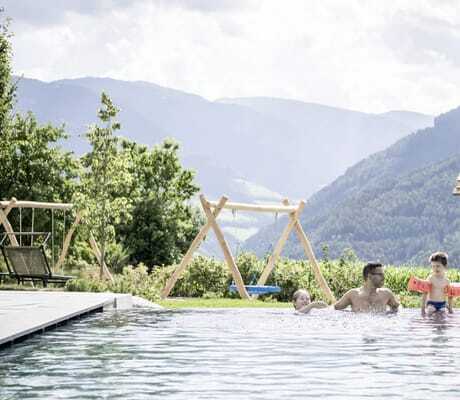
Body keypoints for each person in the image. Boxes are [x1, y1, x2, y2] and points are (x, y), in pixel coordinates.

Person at [334, 262, 399, 313]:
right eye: (380, 274)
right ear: (369, 276)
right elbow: (336, 309)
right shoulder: (353, 294)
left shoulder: (386, 294)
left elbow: (396, 310)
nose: (383, 278)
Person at [421, 252, 453, 317]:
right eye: (433, 266)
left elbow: (450, 296)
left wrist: (450, 308)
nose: (435, 268)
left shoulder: (446, 281)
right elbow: (425, 293)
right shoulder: (430, 279)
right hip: (431, 303)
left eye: (438, 266)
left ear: (445, 266)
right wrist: (423, 309)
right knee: (430, 312)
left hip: (442, 304)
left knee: (443, 315)